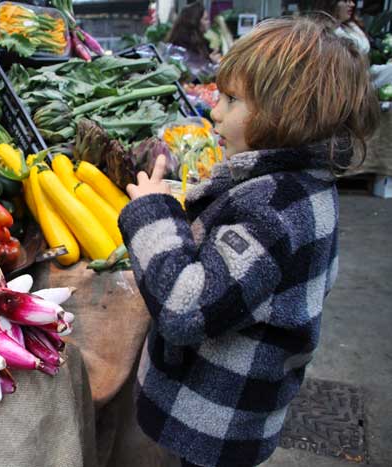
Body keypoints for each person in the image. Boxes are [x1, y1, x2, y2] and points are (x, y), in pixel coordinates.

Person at [119, 17, 379, 467]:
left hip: (219, 416)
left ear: (287, 113)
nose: (215, 112)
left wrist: (154, 212)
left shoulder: (273, 208)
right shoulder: (308, 187)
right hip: (245, 402)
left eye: (232, 99)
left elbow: (185, 307)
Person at [311, 0, 392, 88]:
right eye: (346, 1)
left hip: (365, 76)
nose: (352, 4)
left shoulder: (351, 25)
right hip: (345, 84)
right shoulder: (323, 34)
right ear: (332, 3)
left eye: (352, 0)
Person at [166, 2, 221, 81]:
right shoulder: (182, 46)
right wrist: (212, 63)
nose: (208, 22)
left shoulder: (198, 42)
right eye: (205, 19)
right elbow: (192, 73)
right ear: (195, 21)